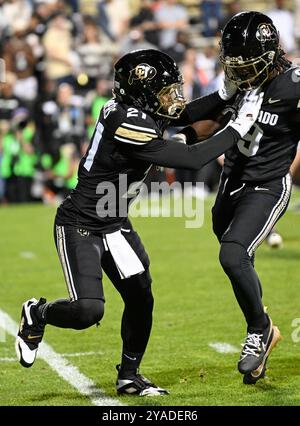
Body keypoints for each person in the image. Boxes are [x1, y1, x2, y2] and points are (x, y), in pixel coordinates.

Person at [15, 49, 262, 396]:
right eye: (164, 92)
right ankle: (38, 313)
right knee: (88, 310)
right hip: (80, 223)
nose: (172, 98)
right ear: (142, 94)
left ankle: (129, 376)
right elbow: (192, 157)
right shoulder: (123, 118)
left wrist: (225, 94)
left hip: (114, 221)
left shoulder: (140, 110)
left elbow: (185, 115)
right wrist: (238, 125)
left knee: (141, 297)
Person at [203, 12, 299, 384]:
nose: (240, 71)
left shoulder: (293, 85)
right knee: (237, 256)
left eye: (247, 64)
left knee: (233, 253)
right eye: (235, 64)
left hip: (268, 183)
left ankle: (258, 329)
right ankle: (266, 330)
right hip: (232, 180)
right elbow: (209, 112)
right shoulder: (240, 83)